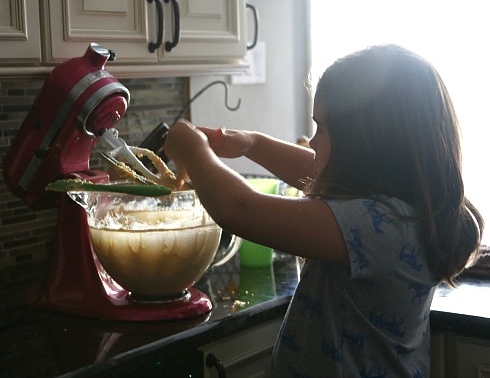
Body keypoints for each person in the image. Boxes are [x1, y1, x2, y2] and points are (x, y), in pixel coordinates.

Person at [164, 44, 484, 378]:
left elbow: (240, 208)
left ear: (365, 142)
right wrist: (253, 144)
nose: (312, 142)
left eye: (323, 128)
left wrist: (194, 152)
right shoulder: (407, 209)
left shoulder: (378, 226)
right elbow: (317, 169)